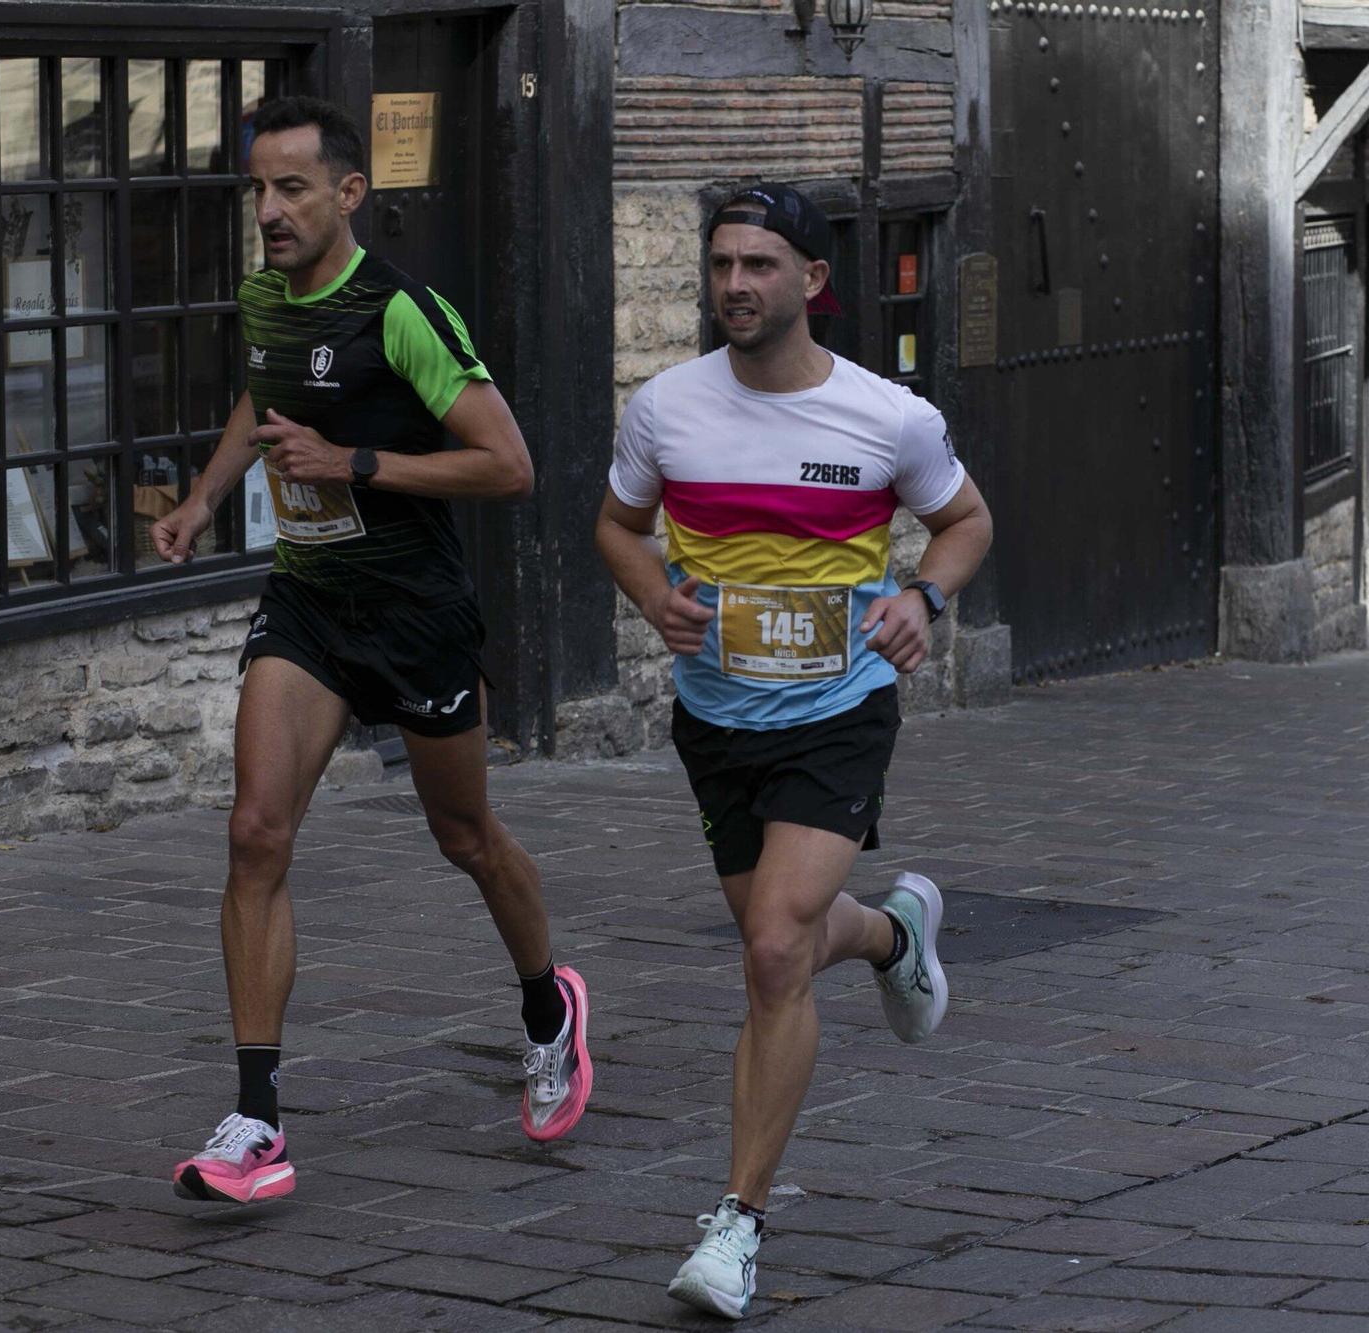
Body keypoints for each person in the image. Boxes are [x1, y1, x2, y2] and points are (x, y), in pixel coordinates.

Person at [149, 96, 590, 1204]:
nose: (268, 210)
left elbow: (509, 465)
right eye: (256, 188)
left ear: (349, 192)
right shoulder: (265, 296)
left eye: (291, 187)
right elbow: (266, 389)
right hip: (308, 605)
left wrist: (356, 463)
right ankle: (255, 1118)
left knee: (465, 835)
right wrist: (206, 497)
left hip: (414, 614)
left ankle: (549, 1006)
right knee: (255, 832)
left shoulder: (402, 313)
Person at [594, 183, 993, 1320]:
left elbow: (967, 521)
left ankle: (736, 1222)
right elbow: (616, 526)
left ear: (810, 282)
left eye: (758, 265)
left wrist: (923, 594)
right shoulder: (664, 408)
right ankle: (892, 932)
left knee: (771, 949)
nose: (734, 284)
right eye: (720, 263)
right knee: (791, 936)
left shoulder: (886, 419)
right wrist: (654, 595)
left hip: (839, 708)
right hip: (716, 718)